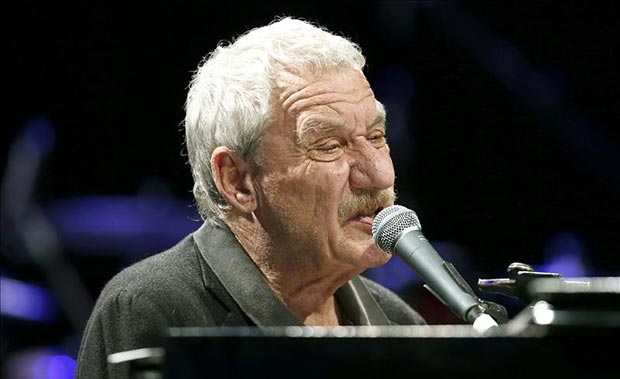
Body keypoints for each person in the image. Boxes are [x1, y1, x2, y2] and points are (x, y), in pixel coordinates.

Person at [76, 16, 425, 378]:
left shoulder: (400, 325)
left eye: (376, 136)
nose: (380, 174)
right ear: (237, 181)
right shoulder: (152, 311)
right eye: (330, 146)